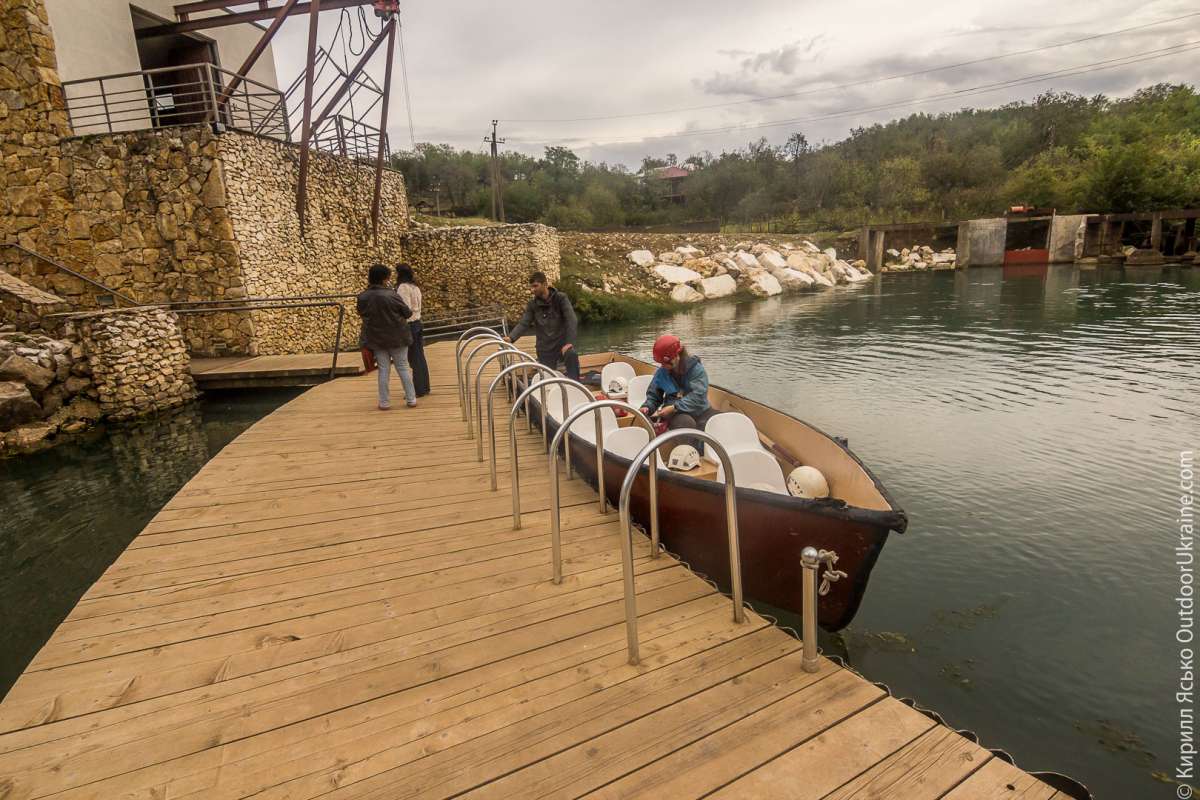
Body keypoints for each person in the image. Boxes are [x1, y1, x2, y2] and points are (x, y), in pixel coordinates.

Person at [356, 263, 417, 410]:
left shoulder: (363, 297)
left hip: (377, 338)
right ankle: (411, 399)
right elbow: (407, 313)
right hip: (398, 337)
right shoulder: (392, 294)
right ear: (385, 278)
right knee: (402, 367)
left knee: (383, 369)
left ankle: (384, 402)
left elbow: (362, 313)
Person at [639, 334, 715, 444]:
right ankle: (690, 453)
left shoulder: (697, 370)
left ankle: (711, 455)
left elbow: (698, 396)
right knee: (686, 424)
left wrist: (675, 407)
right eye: (661, 363)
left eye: (664, 362)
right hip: (677, 414)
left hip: (700, 410)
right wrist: (647, 407)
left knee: (717, 420)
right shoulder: (662, 372)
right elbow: (654, 395)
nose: (662, 366)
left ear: (676, 356)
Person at [505, 271, 579, 380]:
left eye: (535, 286)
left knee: (571, 354)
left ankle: (576, 385)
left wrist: (569, 342)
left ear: (545, 284)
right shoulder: (532, 305)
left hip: (562, 345)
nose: (532, 290)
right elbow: (524, 323)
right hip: (544, 349)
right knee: (548, 380)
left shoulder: (561, 298)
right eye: (531, 287)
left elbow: (571, 320)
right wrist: (511, 337)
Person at [394, 262, 429, 397]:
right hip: (418, 322)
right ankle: (424, 386)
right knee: (420, 356)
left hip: (409, 324)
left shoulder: (403, 287)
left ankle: (417, 389)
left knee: (413, 358)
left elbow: (405, 308)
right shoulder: (415, 287)